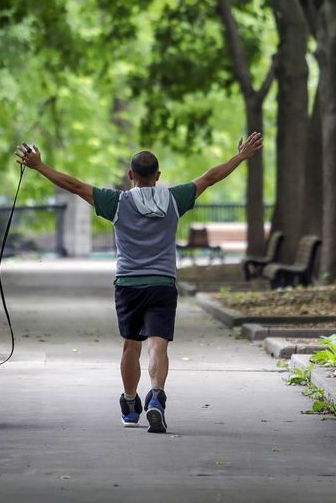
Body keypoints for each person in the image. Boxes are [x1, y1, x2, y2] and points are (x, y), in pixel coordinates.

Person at [15, 133, 264, 433]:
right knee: (158, 344)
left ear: (130, 175)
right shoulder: (174, 199)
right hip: (162, 283)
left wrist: (39, 166)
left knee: (130, 346)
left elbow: (75, 185)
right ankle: (156, 396)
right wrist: (240, 157)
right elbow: (209, 178)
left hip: (128, 284)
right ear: (157, 176)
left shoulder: (116, 202)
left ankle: (131, 403)